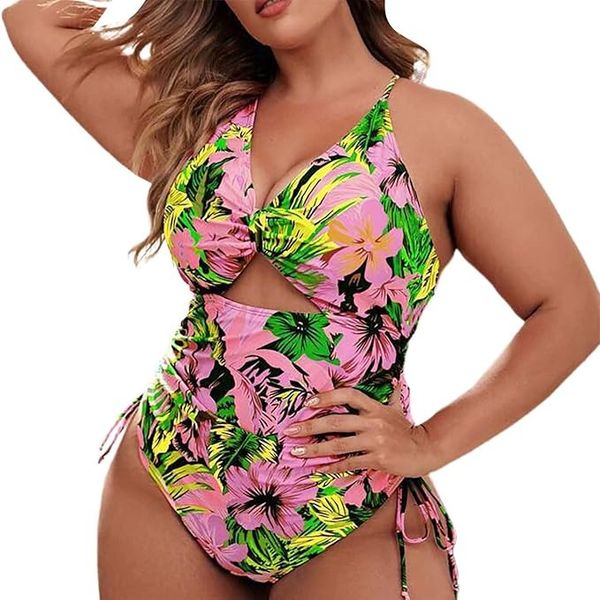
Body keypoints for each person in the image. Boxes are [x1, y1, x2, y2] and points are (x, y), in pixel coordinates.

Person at [3, 0, 599, 599]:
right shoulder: (198, 118)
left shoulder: (446, 131)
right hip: (171, 474)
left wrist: (431, 442)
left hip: (351, 499)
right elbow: (30, 20)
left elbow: (571, 309)